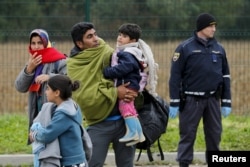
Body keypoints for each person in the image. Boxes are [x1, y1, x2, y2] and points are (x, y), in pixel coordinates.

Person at [67, 22, 138, 167]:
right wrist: (115, 92)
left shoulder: (107, 51)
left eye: (95, 34)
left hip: (124, 120)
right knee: (93, 163)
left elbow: (129, 72)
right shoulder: (74, 64)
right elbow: (84, 97)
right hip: (99, 123)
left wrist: (133, 88)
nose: (96, 39)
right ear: (80, 43)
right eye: (90, 37)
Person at [168, 13, 232, 167]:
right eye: (211, 26)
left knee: (214, 135)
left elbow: (226, 76)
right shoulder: (184, 48)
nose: (214, 29)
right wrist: (174, 101)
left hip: (212, 101)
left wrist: (226, 102)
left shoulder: (219, 48)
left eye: (215, 26)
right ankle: (184, 163)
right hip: (191, 101)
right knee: (188, 135)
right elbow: (175, 76)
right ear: (201, 27)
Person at [103, 23, 158, 146]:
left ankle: (132, 133)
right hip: (132, 84)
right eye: (119, 34)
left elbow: (125, 67)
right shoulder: (134, 51)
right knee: (132, 110)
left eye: (124, 36)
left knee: (126, 109)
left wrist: (108, 72)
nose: (120, 38)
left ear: (133, 40)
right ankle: (139, 134)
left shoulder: (127, 52)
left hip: (126, 85)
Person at [15, 29, 67, 144]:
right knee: (39, 153)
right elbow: (20, 87)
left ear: (46, 42)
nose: (36, 47)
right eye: (33, 43)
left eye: (40, 43)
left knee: (54, 150)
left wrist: (50, 77)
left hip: (55, 114)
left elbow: (69, 80)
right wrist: (29, 68)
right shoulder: (33, 62)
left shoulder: (59, 60)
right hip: (37, 114)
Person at [29, 75, 87, 167]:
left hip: (70, 162)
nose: (45, 92)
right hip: (77, 160)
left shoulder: (63, 114)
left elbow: (47, 135)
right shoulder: (73, 106)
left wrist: (34, 134)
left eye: (48, 89)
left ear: (57, 93)